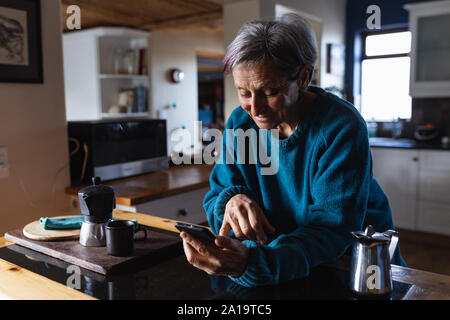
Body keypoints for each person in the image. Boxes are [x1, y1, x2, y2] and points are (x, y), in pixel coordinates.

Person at [179, 13, 405, 288]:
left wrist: (256, 263)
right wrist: (230, 201)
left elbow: (332, 231)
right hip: (280, 258)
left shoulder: (339, 126)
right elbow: (217, 195)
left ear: (303, 78)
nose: (255, 108)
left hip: (351, 261)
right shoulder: (240, 122)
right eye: (244, 92)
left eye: (270, 91)